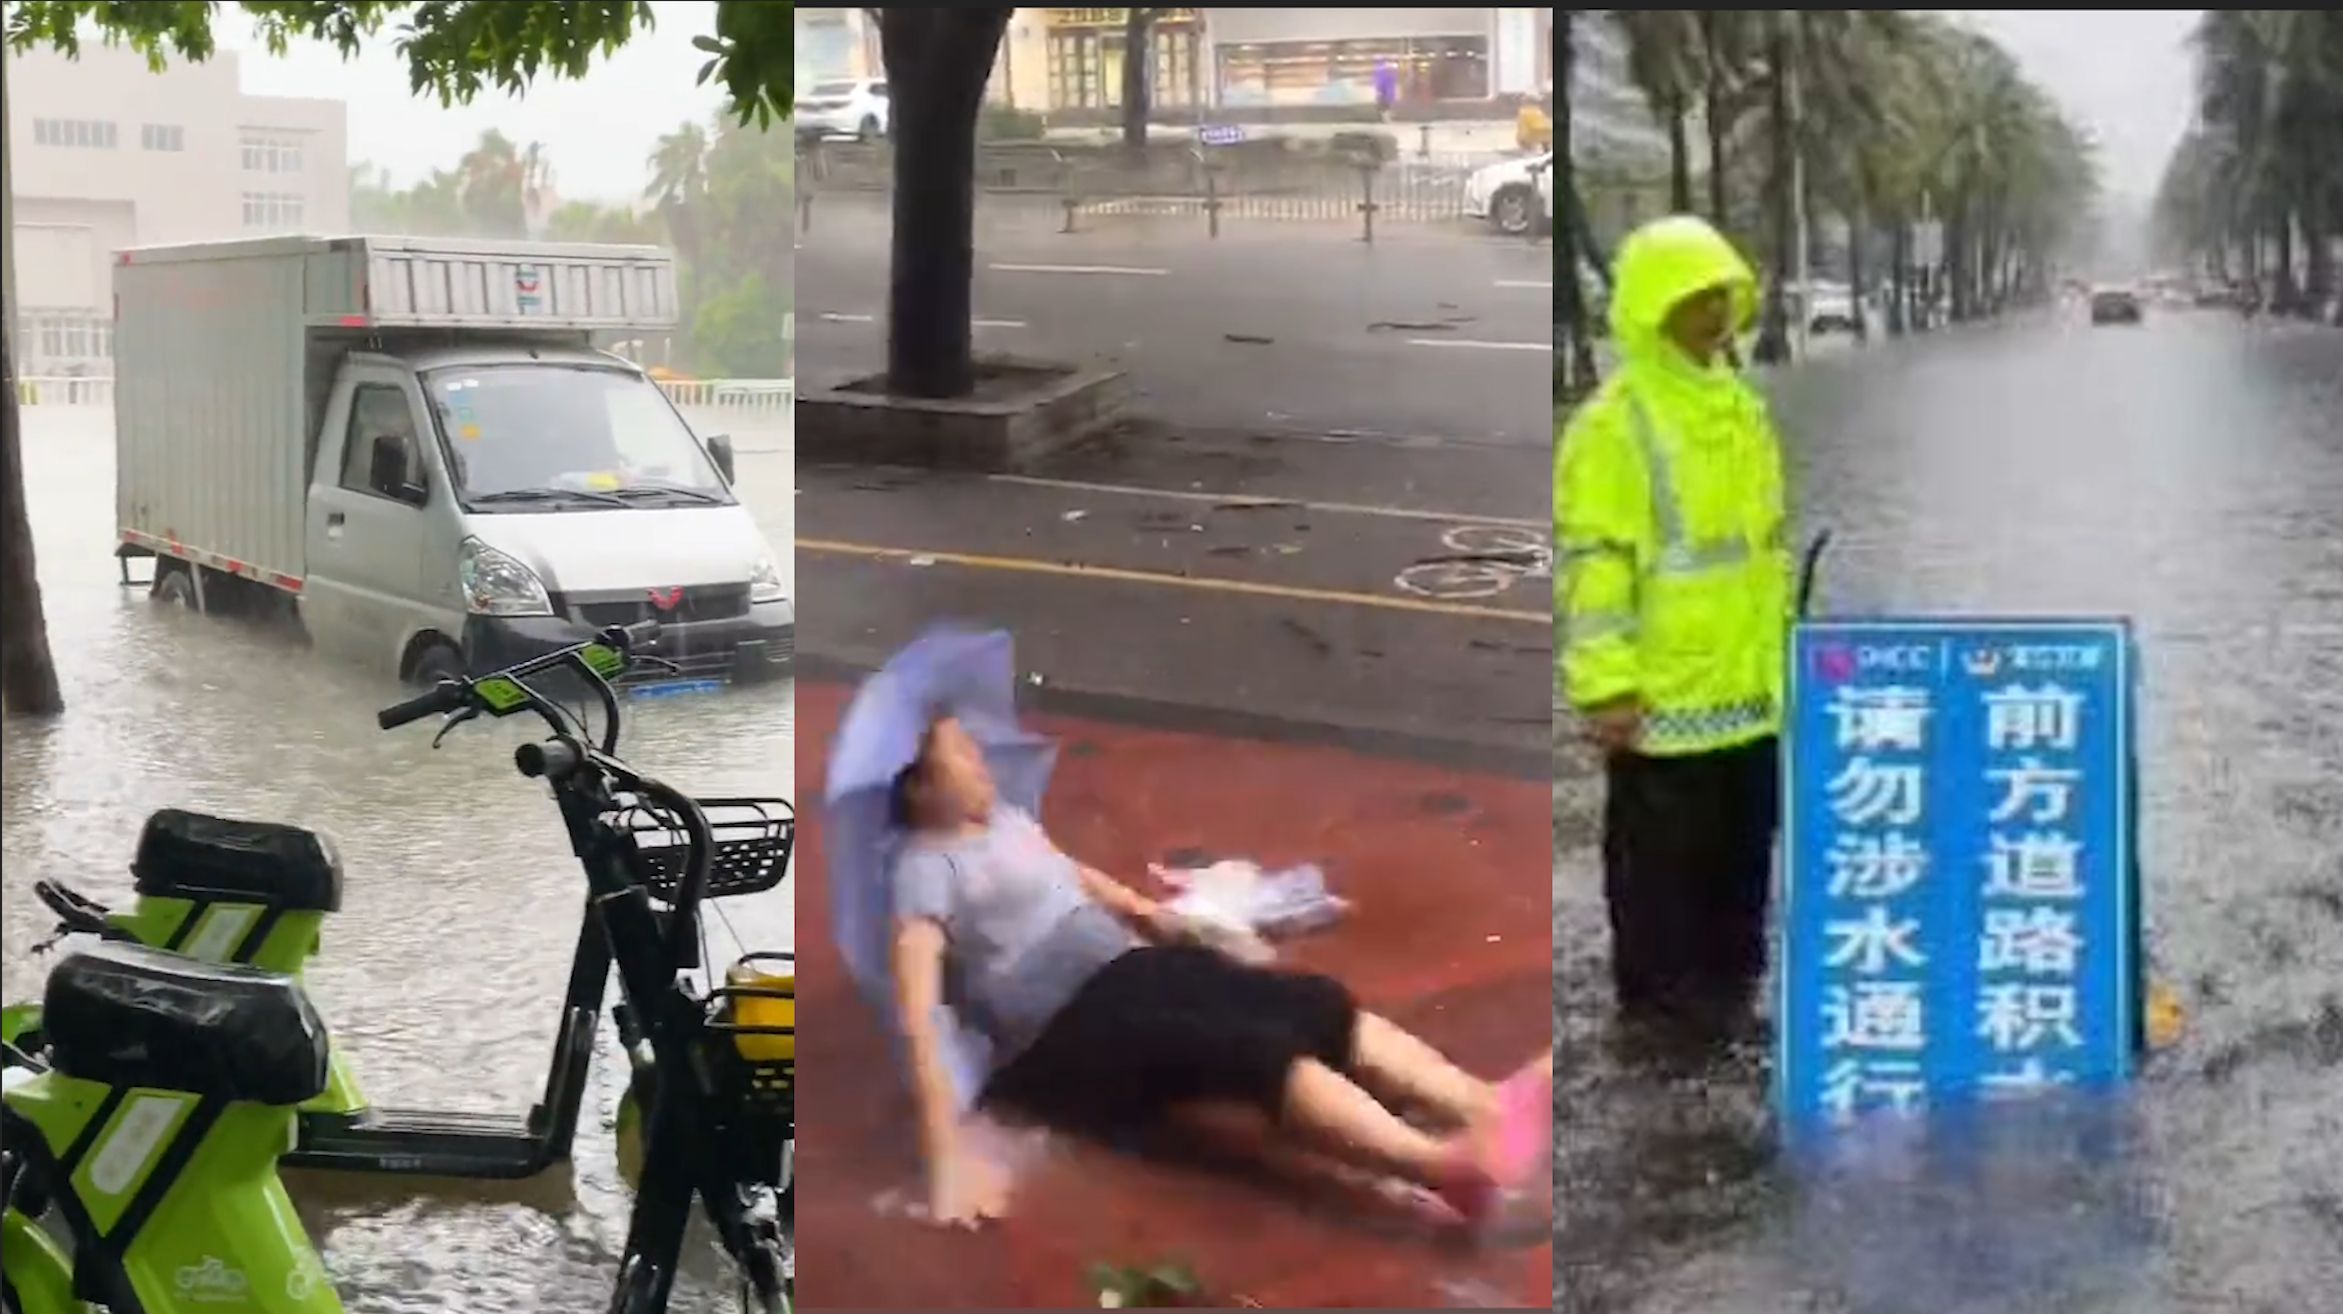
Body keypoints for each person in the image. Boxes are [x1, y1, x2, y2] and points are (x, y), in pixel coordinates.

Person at [886, 715, 1549, 1227]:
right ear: (920, 787)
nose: (979, 763)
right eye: (961, 756)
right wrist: (947, 1153)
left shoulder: (1005, 821)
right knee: (1244, 1050)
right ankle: (1442, 1169)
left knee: (1303, 1000)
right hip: (1060, 1034)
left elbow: (1072, 875)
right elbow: (920, 1016)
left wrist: (1153, 915)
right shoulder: (922, 872)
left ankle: (1478, 1103)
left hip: (1125, 967)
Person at [1553, 215, 1791, 1049]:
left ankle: (1732, 996)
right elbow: (1597, 565)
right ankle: (1657, 1021)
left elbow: (1757, 551)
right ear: (1651, 307)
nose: (1711, 314)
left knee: (1741, 859)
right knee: (1660, 874)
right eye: (1691, 299)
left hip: (1750, 691)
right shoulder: (1616, 423)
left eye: (1719, 296)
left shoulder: (1737, 406)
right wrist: (1606, 685)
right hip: (1662, 701)